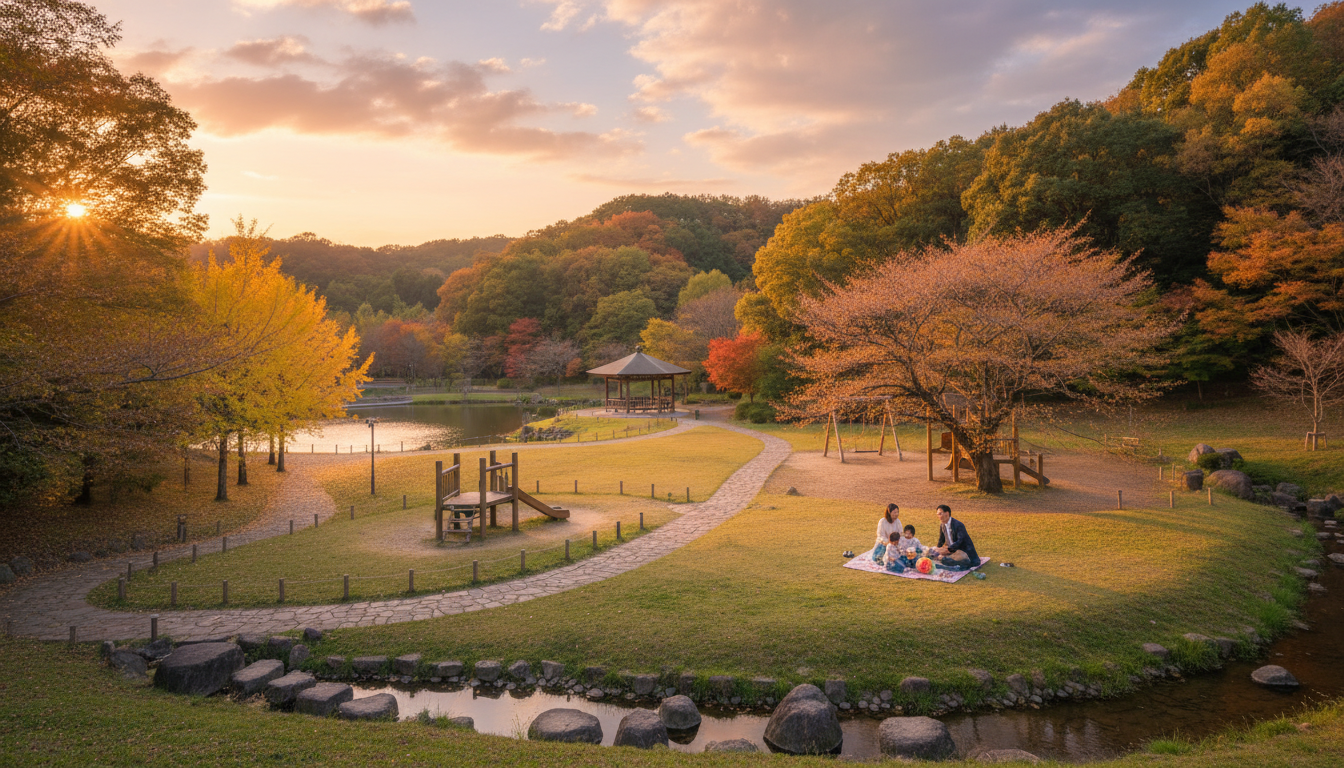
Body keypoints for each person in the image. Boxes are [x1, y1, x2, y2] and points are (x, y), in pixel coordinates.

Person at [929, 504, 979, 571]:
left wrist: (949, 549)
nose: (938, 516)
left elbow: (960, 541)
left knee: (947, 559)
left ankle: (954, 563)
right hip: (951, 550)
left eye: (940, 514)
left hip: (962, 550)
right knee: (932, 551)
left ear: (947, 513)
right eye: (938, 514)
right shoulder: (942, 525)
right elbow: (941, 539)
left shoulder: (958, 525)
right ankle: (948, 561)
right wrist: (937, 549)